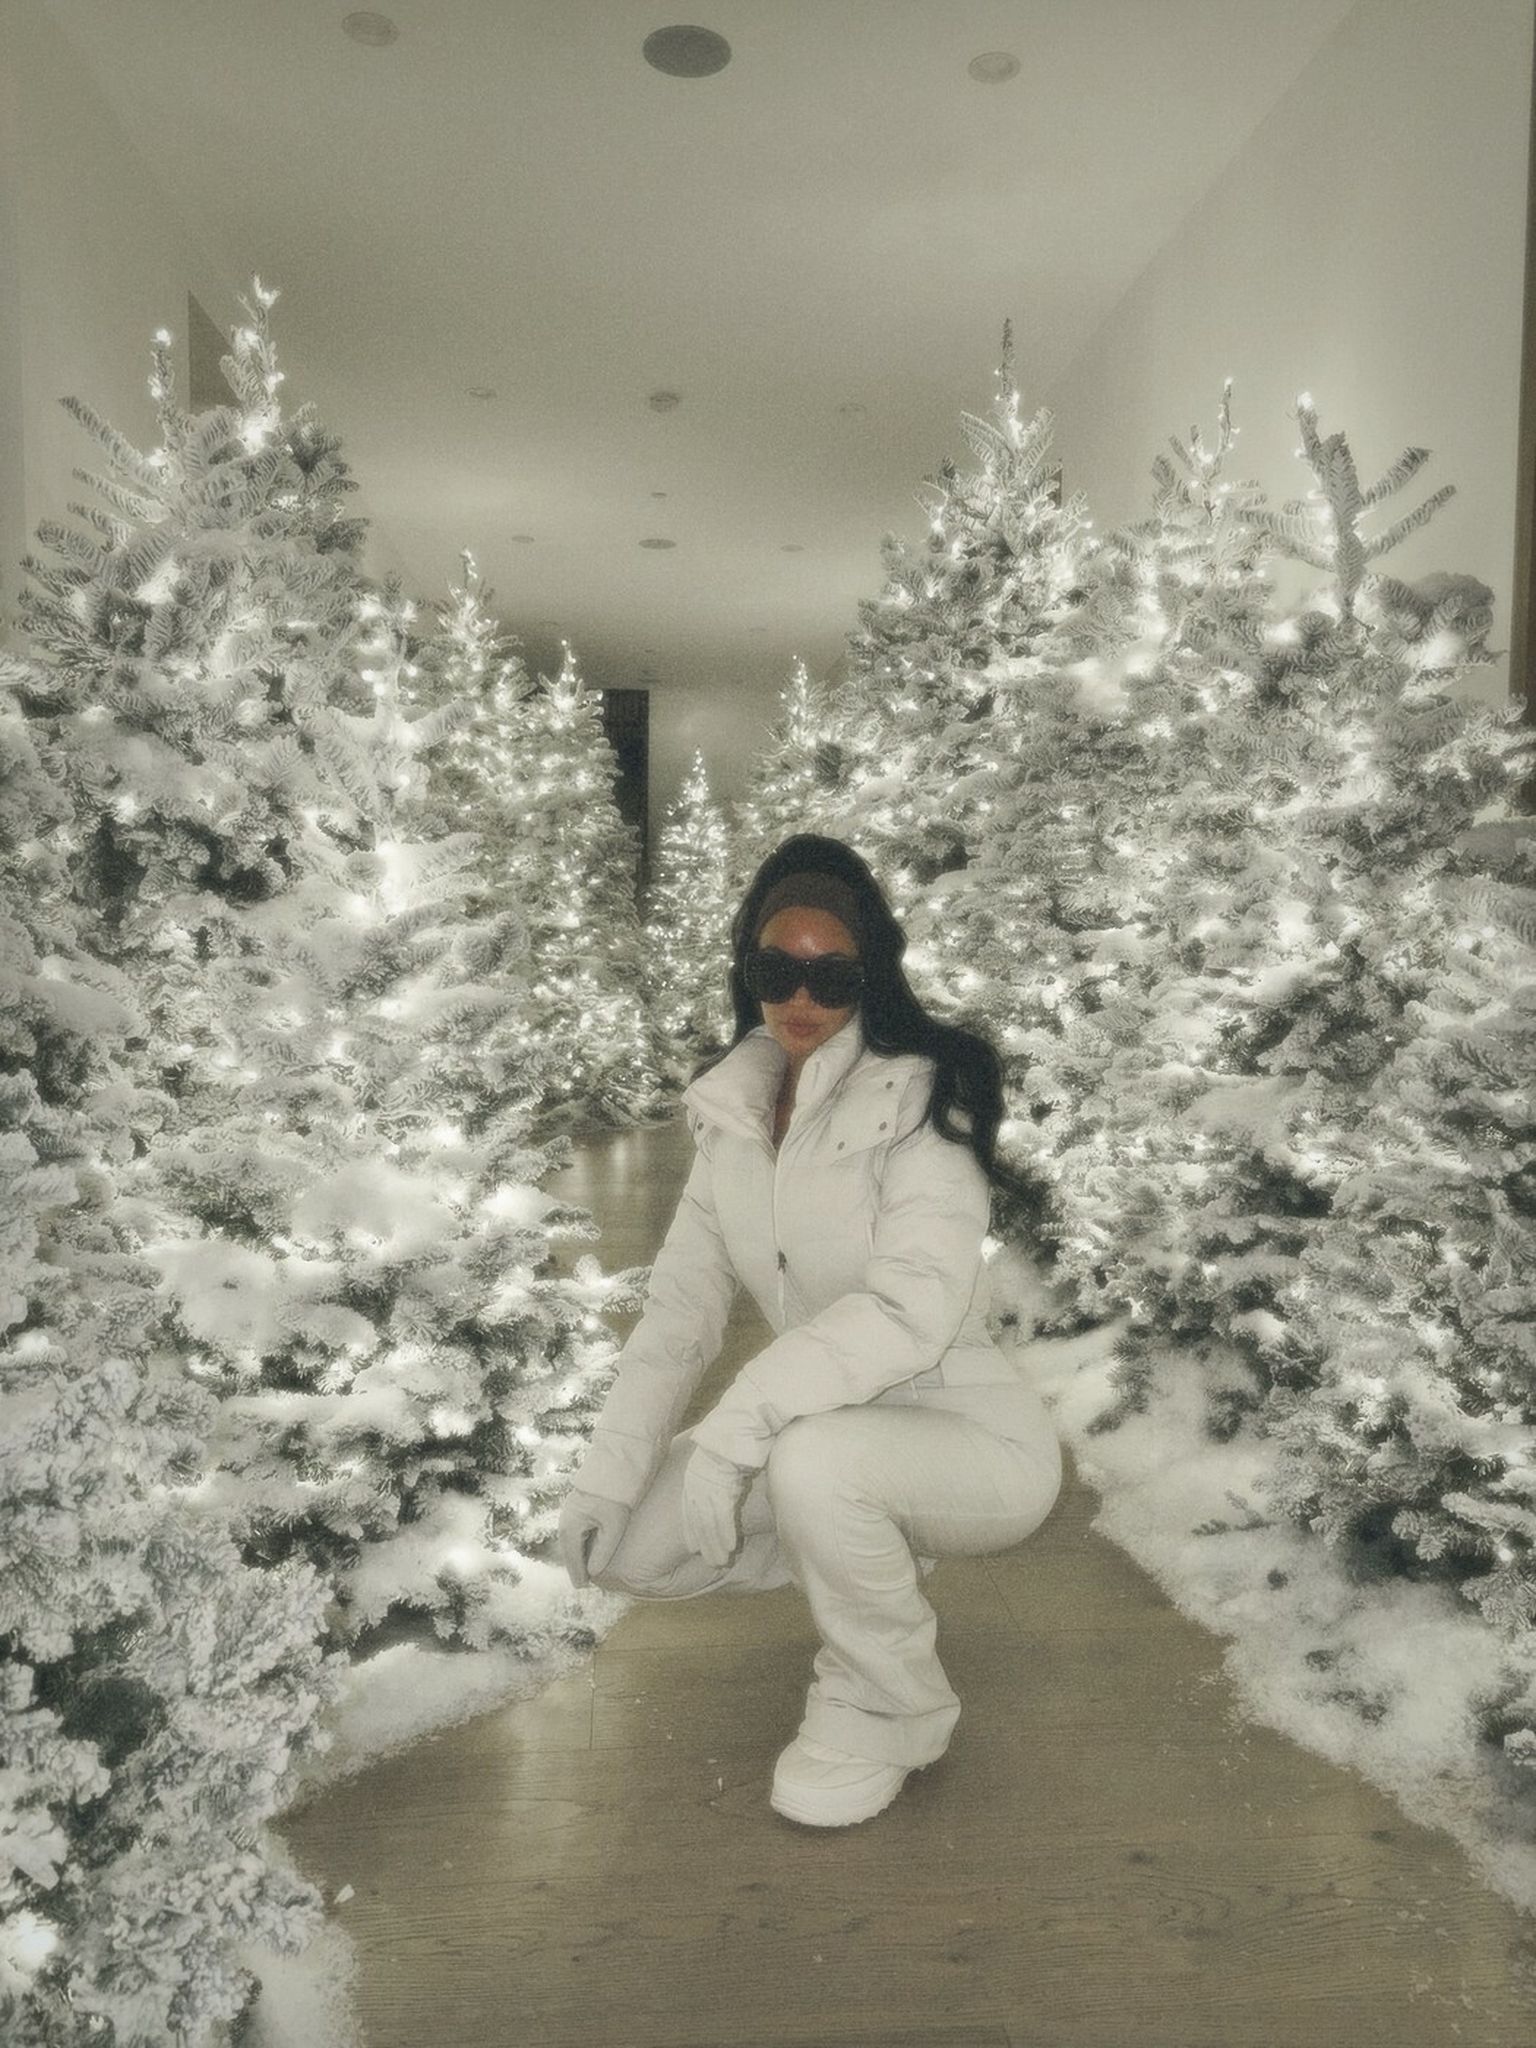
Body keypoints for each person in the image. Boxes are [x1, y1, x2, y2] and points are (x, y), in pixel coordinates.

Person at [558, 832, 1063, 1827]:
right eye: (775, 970)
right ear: (746, 967)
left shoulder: (922, 1096)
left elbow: (912, 1309)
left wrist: (741, 1428)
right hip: (814, 1425)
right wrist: (607, 1475)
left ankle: (887, 1708)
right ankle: (861, 1552)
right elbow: (680, 1314)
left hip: (970, 1435)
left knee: (813, 1461)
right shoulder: (733, 1114)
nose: (801, 997)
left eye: (832, 975)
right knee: (627, 1549)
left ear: (871, 975)